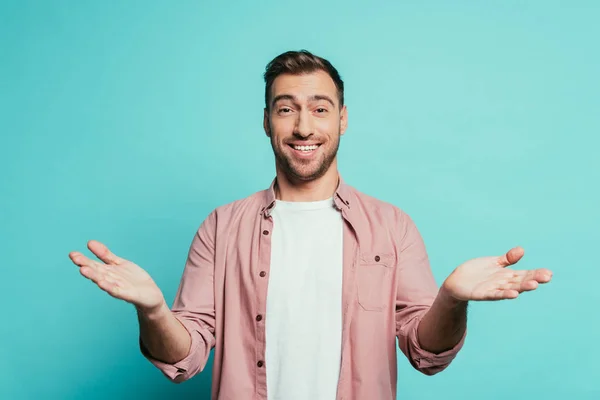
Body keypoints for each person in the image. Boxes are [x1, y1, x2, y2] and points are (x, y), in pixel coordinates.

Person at [69, 50, 553, 400]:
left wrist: (451, 300)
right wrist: (154, 310)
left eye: (320, 109)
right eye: (286, 109)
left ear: (342, 120)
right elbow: (186, 359)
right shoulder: (220, 227)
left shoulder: (392, 226)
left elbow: (426, 355)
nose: (304, 127)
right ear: (266, 122)